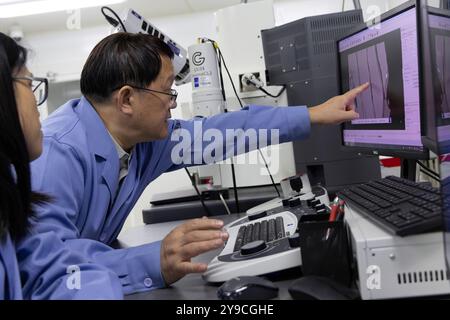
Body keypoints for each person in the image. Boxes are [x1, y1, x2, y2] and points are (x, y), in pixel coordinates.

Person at [29, 32, 369, 295]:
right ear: (127, 99)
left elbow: (226, 131)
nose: (173, 107)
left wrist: (311, 116)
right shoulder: (55, 155)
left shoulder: (143, 143)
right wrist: (155, 260)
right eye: (167, 94)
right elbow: (46, 269)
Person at [0, 32, 124, 299]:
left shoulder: (8, 200)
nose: (37, 103)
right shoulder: (61, 149)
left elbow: (57, 269)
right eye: (29, 84)